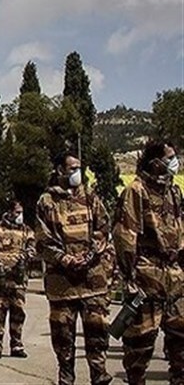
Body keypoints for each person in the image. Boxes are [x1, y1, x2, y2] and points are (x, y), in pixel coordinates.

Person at [36, 152, 114, 385]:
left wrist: (91, 255)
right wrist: (65, 259)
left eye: (79, 168)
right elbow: (43, 241)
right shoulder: (47, 201)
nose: (77, 173)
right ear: (60, 170)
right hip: (63, 283)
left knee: (97, 331)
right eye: (72, 168)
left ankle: (99, 374)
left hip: (92, 279)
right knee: (63, 334)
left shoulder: (91, 197)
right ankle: (66, 376)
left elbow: (104, 227)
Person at [112, 139, 183, 384]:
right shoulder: (136, 190)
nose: (175, 161)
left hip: (175, 276)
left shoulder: (173, 191)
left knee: (180, 343)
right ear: (155, 163)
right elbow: (125, 236)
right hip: (146, 276)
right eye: (169, 157)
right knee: (139, 347)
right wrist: (129, 277)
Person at [0, 200, 36, 359]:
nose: (19, 215)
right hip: (0, 280)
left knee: (18, 312)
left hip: (18, 280)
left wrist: (25, 257)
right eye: (17, 212)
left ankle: (16, 345)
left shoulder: (27, 231)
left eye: (21, 212)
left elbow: (32, 248)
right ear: (9, 212)